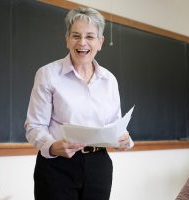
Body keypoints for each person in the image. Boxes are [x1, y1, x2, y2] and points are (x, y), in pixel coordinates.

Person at [25, 7, 134, 200]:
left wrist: (124, 140)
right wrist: (51, 146)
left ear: (100, 42)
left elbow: (115, 126)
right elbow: (34, 126)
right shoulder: (48, 74)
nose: (82, 43)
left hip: (98, 166)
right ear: (67, 39)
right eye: (76, 35)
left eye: (90, 37)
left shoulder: (109, 80)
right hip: (57, 166)